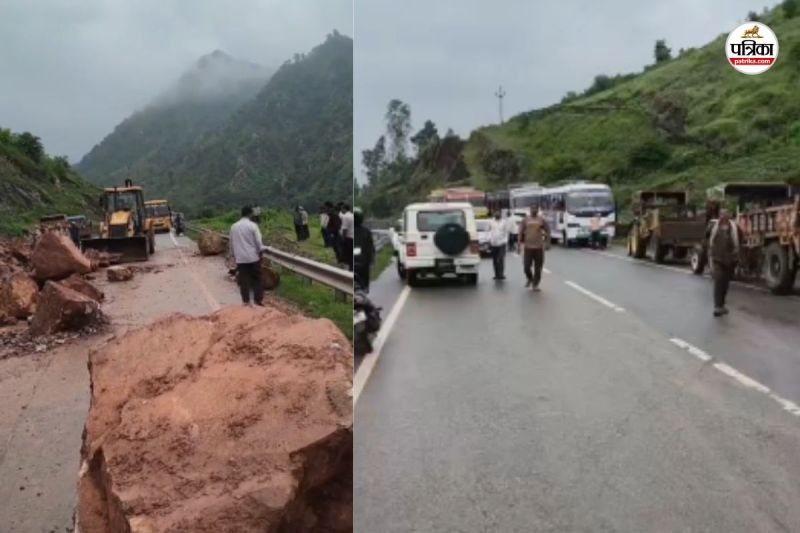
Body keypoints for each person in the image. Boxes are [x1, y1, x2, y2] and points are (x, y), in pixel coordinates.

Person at [229, 205, 265, 306]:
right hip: (253, 257)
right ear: (250, 214)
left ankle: (246, 301)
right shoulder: (253, 226)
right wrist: (260, 251)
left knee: (243, 280)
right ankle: (258, 300)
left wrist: (232, 255)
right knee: (257, 278)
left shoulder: (233, 226)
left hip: (240, 258)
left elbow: (231, 243)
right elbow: (258, 242)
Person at [707, 209, 740, 317]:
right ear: (720, 217)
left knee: (725, 283)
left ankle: (722, 305)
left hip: (730, 260)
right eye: (722, 215)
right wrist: (710, 251)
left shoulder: (734, 227)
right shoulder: (714, 227)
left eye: (726, 215)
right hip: (718, 259)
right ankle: (717, 307)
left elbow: (741, 238)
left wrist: (736, 251)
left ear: (728, 217)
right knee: (718, 281)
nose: (723, 217)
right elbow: (707, 237)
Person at [518, 206, 550, 291]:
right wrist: (518, 245)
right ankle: (530, 278)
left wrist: (547, 242)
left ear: (538, 210)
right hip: (528, 247)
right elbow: (520, 232)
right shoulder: (525, 220)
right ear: (530, 210)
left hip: (539, 247)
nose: (534, 210)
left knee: (538, 267)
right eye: (533, 209)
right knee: (526, 267)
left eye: (536, 209)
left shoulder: (541, 220)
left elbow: (548, 230)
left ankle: (535, 284)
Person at [353, 208, 374, 290]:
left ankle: (365, 287)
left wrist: (371, 258)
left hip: (363, 258)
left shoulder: (366, 231)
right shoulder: (366, 231)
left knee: (365, 272)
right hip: (359, 258)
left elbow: (370, 246)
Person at [488, 210, 508, 280]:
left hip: (502, 243)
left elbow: (506, 232)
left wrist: (505, 241)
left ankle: (501, 274)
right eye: (496, 212)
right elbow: (489, 231)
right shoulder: (491, 222)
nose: (497, 213)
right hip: (493, 244)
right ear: (494, 213)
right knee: (495, 260)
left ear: (500, 214)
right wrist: (489, 240)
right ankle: (496, 275)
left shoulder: (504, 222)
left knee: (500, 258)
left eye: (498, 212)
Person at [340, 203, 355, 270]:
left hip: (348, 238)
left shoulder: (345, 216)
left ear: (344, 209)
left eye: (342, 209)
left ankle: (350, 268)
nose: (341, 210)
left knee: (348, 254)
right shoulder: (352, 215)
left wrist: (343, 238)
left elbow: (344, 229)